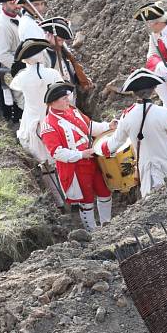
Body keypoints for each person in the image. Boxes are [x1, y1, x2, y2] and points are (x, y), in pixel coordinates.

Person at [101, 68, 167, 198]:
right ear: (153, 90)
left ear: (135, 93)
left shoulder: (126, 117)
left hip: (150, 176)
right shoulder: (164, 113)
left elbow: (113, 145)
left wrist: (102, 147)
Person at [40, 82, 115, 230]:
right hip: (76, 166)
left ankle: (107, 225)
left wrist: (108, 126)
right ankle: (92, 231)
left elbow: (89, 127)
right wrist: (81, 154)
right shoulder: (48, 125)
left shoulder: (73, 110)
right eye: (64, 99)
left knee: (105, 192)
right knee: (86, 201)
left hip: (92, 159)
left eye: (67, 98)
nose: (68, 100)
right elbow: (56, 152)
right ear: (53, 103)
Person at [9, 39, 65, 206]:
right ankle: (71, 196)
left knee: (46, 165)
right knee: (62, 158)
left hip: (34, 124)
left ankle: (59, 201)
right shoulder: (53, 74)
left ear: (25, 60)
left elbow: (13, 85)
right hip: (54, 119)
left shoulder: (22, 78)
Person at [0, 0, 23, 120]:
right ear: (3, 4)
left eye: (17, 2)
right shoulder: (2, 26)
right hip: (19, 71)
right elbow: (1, 54)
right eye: (12, 3)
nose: (16, 5)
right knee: (24, 103)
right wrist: (22, 67)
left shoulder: (19, 16)